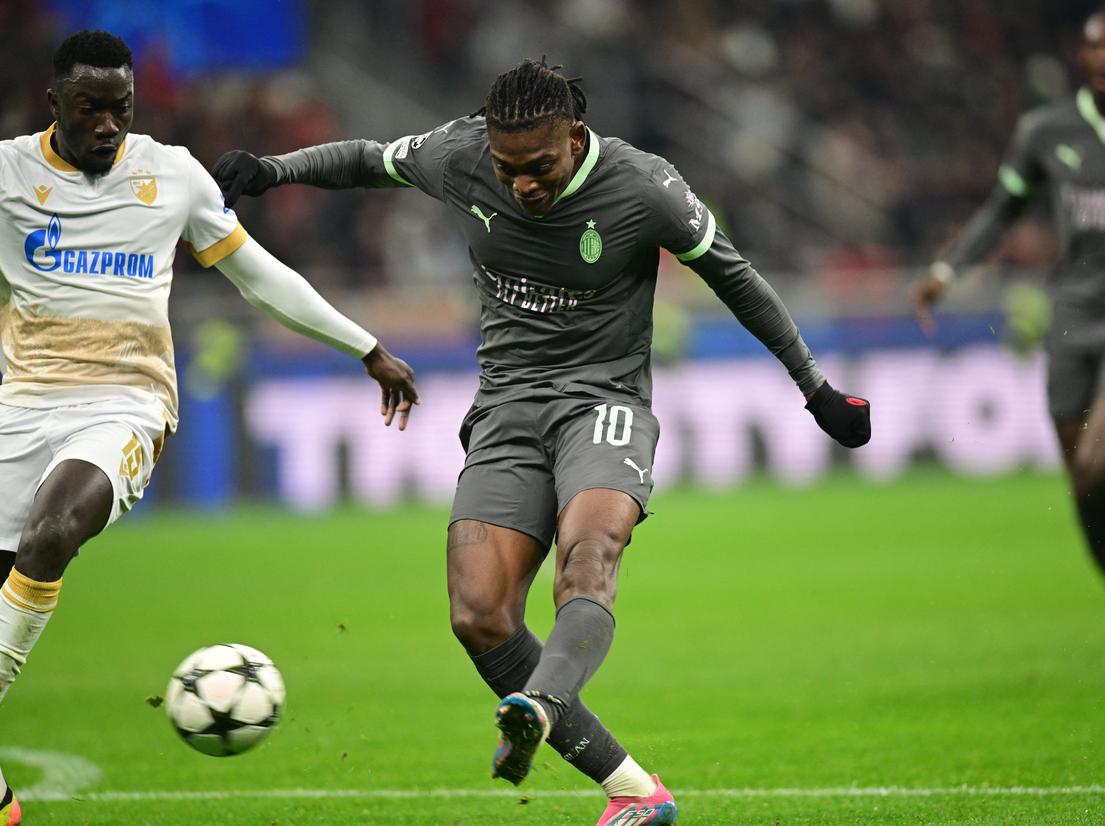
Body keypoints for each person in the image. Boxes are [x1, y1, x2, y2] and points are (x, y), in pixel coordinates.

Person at [213, 58, 870, 824]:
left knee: (587, 559)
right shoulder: (459, 155)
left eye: (541, 166)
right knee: (478, 614)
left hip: (603, 403)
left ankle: (542, 704)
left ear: (577, 137)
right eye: (509, 169)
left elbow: (740, 281)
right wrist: (268, 170)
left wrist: (815, 389)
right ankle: (633, 791)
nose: (523, 184)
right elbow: (366, 159)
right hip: (506, 410)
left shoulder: (645, 188)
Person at [0, 31, 420, 823]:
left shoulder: (171, 173)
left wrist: (366, 346)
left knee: (52, 533)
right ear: (52, 103)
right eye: (88, 109)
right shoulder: (8, 175)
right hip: (19, 410)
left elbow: (259, 276)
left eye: (119, 109)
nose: (106, 127)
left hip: (125, 404)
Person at [912, 7, 1105, 667]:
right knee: (1082, 484)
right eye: (1092, 48)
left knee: (1100, 463)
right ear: (1082, 57)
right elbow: (1003, 208)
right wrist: (946, 269)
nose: (1102, 59)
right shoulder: (1047, 131)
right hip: (1071, 315)